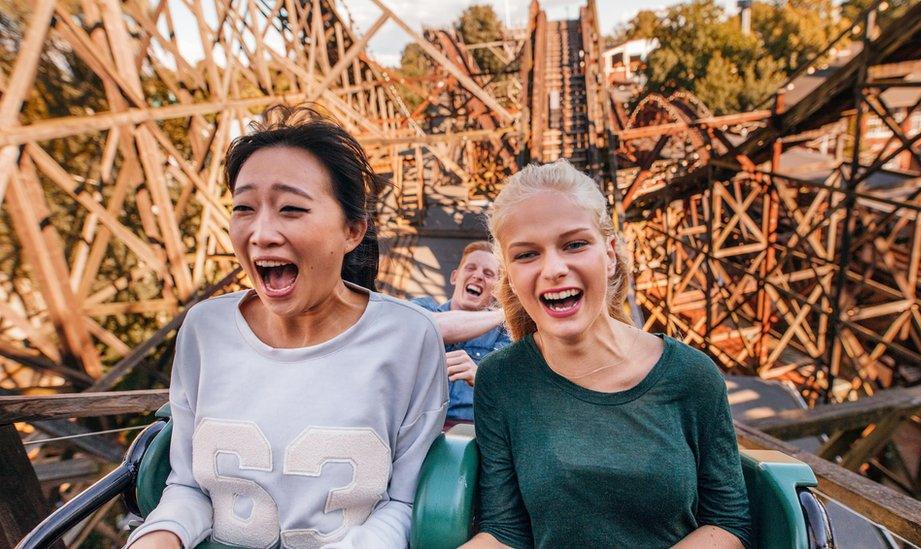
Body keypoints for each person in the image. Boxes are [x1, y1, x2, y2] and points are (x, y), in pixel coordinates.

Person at [126, 105, 447, 549]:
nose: (261, 233)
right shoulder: (204, 330)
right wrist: (158, 536)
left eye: (291, 209)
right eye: (243, 208)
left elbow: (405, 503)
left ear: (352, 230)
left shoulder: (409, 337)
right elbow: (189, 487)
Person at [463, 159, 751, 548]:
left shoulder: (692, 374)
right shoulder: (501, 380)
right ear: (509, 275)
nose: (553, 269)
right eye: (527, 254)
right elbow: (505, 530)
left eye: (575, 244)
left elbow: (729, 521)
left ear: (610, 253)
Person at [413, 242, 511, 423]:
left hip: (469, 434)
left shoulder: (503, 336)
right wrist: (507, 312)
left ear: (496, 290)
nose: (478, 276)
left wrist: (481, 379)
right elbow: (435, 327)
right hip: (414, 430)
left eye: (488, 274)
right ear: (454, 277)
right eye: (470, 268)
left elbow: (511, 397)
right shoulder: (422, 308)